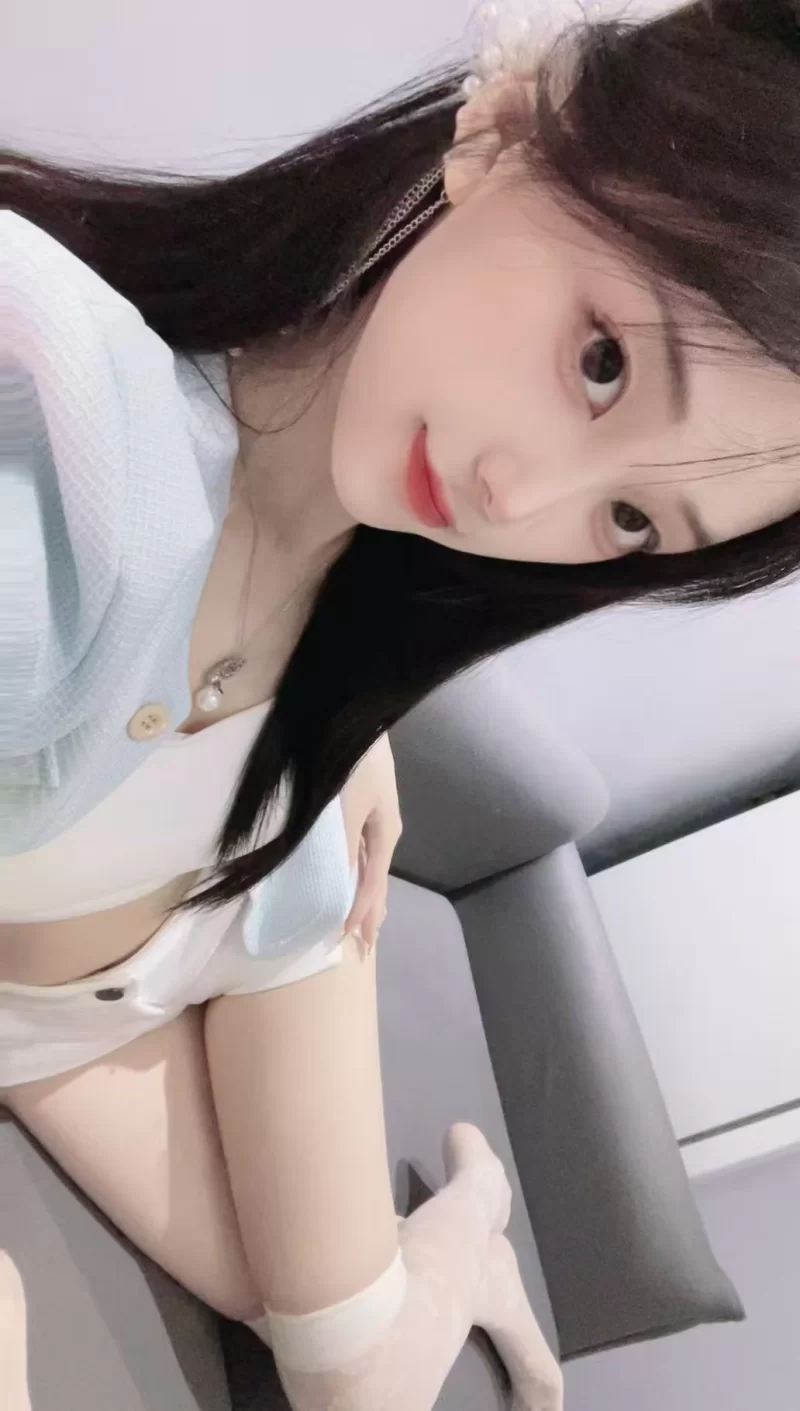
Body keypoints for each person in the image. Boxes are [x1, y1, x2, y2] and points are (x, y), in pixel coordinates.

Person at [2, 0, 800, 1404]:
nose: (520, 499)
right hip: (74, 1009)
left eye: (629, 520)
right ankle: (468, 1231)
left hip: (263, 922)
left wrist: (352, 730)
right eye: (604, 364)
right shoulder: (71, 461)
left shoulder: (370, 595)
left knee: (351, 1380)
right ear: (512, 128)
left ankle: (467, 1225)